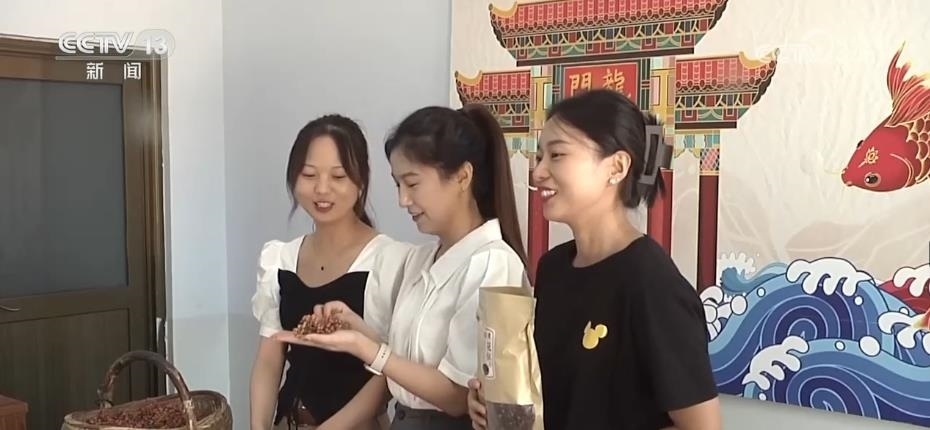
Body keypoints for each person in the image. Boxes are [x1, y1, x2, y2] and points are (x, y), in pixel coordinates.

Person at [467, 89, 722, 430]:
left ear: (616, 167)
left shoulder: (651, 282)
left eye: (557, 155)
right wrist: (495, 404)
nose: (538, 172)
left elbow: (703, 427)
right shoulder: (553, 268)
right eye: (539, 157)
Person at [278, 104, 529, 430]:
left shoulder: (492, 263)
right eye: (398, 185)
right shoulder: (421, 259)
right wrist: (356, 327)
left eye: (412, 184)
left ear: (462, 176)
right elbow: (407, 359)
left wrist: (366, 348)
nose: (403, 200)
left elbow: (456, 397)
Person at [250, 114, 403, 430]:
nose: (322, 189)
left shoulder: (388, 260)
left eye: (338, 176)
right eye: (309, 174)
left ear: (360, 182)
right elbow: (269, 359)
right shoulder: (280, 258)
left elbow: (389, 373)